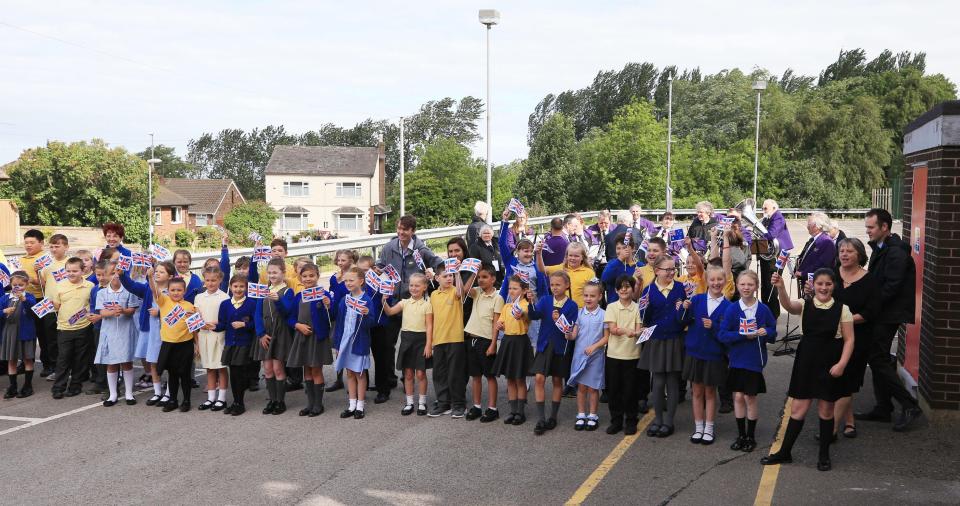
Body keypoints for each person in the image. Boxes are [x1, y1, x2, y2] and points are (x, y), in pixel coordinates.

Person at [764, 268, 854, 471]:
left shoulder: (843, 309)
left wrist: (841, 364)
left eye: (828, 284)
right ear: (814, 285)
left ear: (834, 286)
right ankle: (784, 452)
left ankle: (824, 455)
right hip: (807, 362)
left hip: (831, 362)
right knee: (798, 408)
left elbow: (850, 341)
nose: (823, 287)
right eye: (820, 283)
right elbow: (787, 305)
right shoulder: (805, 304)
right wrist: (780, 288)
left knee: (826, 409)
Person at [855, 208, 922, 432]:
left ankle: (909, 404)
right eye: (867, 227)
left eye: (871, 227)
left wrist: (868, 306)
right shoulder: (881, 247)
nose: (868, 231)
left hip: (888, 313)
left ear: (885, 227)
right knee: (878, 358)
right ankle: (883, 408)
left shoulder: (896, 252)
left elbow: (891, 288)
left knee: (877, 358)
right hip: (881, 311)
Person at [373, 215, 443, 404]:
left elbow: (437, 262)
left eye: (405, 229)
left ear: (412, 231)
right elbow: (381, 264)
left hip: (413, 302)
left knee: (411, 343)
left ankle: (407, 378)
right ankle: (386, 385)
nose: (401, 232)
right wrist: (377, 270)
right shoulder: (389, 247)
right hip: (393, 301)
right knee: (386, 345)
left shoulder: (420, 249)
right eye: (399, 228)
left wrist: (434, 275)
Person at [717, 270, 778, 452]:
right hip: (737, 359)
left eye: (750, 284)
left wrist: (766, 332)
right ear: (737, 286)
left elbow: (773, 331)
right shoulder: (733, 309)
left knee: (749, 397)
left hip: (754, 359)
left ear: (756, 286)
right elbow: (723, 334)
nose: (746, 288)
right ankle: (741, 434)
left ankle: (751, 436)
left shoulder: (763, 309)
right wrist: (742, 335)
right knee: (737, 396)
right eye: (742, 284)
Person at [832, 238, 880, 439]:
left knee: (848, 380)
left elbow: (871, 312)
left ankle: (831, 429)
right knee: (841, 381)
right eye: (841, 250)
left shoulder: (870, 280)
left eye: (849, 251)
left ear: (859, 255)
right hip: (833, 337)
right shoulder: (833, 274)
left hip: (858, 338)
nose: (844, 254)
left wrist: (845, 321)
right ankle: (849, 422)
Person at [678, 263, 730, 445]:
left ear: (725, 281)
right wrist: (683, 308)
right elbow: (683, 321)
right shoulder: (697, 300)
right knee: (696, 391)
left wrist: (714, 327)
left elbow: (727, 335)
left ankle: (709, 427)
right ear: (706, 281)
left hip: (713, 355)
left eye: (719, 279)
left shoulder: (728, 306)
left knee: (710, 392)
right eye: (712, 279)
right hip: (694, 352)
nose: (716, 283)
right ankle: (698, 427)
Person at [638, 256, 687, 438]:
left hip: (675, 339)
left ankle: (669, 422)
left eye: (673, 269)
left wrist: (684, 309)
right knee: (658, 383)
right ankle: (657, 420)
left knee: (672, 381)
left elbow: (686, 317)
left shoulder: (681, 288)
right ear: (657, 271)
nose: (672, 272)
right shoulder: (648, 291)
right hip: (657, 340)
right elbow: (645, 317)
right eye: (667, 269)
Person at [528, 270, 579, 435]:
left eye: (558, 284)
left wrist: (559, 320)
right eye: (552, 284)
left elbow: (569, 330)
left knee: (557, 381)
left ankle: (553, 417)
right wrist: (530, 302)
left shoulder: (571, 305)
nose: (554, 287)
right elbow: (535, 315)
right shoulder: (545, 300)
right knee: (539, 378)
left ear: (567, 285)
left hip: (560, 347)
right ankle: (541, 418)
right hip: (544, 345)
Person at [121, 259, 174, 406]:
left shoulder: (174, 290)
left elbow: (177, 310)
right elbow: (131, 286)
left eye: (161, 272)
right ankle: (157, 393)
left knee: (168, 362)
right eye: (156, 271)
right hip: (151, 330)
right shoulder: (147, 288)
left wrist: (161, 312)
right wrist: (122, 275)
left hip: (167, 332)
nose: (157, 273)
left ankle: (169, 393)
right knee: (153, 362)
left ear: (170, 276)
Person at [147, 265, 198, 412]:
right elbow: (154, 290)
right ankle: (173, 399)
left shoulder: (189, 306)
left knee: (185, 374)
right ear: (168, 291)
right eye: (173, 290)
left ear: (185, 291)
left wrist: (197, 344)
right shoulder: (164, 301)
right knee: (172, 374)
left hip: (185, 344)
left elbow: (194, 327)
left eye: (179, 290)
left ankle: (186, 400)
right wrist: (151, 277)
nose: (176, 293)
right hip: (168, 344)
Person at [333, 266, 381, 420]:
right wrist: (337, 344)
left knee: (359, 373)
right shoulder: (344, 300)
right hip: (346, 341)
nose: (348, 283)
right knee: (350, 373)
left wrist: (366, 315)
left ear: (361, 281)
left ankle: (360, 405)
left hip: (359, 342)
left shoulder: (366, 300)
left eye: (351, 280)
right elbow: (339, 323)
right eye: (346, 280)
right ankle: (351, 404)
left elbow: (372, 324)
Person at [286, 263, 333, 417]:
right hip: (303, 337)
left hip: (317, 337)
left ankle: (318, 404)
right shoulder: (298, 296)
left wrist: (329, 305)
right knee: (307, 370)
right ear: (300, 278)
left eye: (311, 276)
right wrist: (298, 325)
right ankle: (310, 403)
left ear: (318, 277)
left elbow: (332, 316)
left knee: (316, 369)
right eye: (305, 276)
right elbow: (291, 318)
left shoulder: (324, 294)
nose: (308, 279)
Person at [382, 273, 433, 416]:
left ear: (424, 287)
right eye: (411, 285)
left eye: (417, 285)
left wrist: (429, 344)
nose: (414, 288)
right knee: (408, 373)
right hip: (406, 340)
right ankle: (409, 402)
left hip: (421, 340)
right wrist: (384, 301)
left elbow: (429, 326)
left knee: (421, 373)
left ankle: (422, 403)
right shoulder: (404, 302)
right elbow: (390, 312)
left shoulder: (428, 304)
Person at [92, 259, 139, 407]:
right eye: (112, 273)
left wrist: (123, 310)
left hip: (125, 330)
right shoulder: (102, 293)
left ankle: (129, 393)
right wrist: (112, 312)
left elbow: (132, 310)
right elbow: (101, 311)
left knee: (126, 362)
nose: (116, 276)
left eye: (118, 272)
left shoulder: (129, 291)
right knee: (111, 363)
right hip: (109, 331)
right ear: (106, 275)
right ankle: (113, 394)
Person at [253, 258, 296, 415]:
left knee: (278, 368)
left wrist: (278, 300)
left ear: (283, 273)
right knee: (268, 368)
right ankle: (272, 399)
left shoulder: (287, 291)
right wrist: (261, 334)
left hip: (280, 332)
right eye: (269, 272)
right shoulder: (263, 290)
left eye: (275, 272)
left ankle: (280, 401)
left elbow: (287, 311)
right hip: (266, 334)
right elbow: (257, 314)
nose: (272, 275)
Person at [462, 264, 505, 422]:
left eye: (485, 277)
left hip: (486, 340)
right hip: (471, 338)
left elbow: (496, 323)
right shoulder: (477, 292)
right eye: (479, 277)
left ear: (493, 279)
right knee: (475, 375)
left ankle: (493, 408)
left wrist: (493, 344)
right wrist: (473, 272)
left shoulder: (498, 298)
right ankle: (477, 406)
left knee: (490, 375)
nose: (481, 280)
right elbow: (466, 290)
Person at [50, 257, 95, 399]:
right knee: (63, 359)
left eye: (75, 271)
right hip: (64, 328)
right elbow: (56, 306)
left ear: (83, 271)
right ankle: (58, 387)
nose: (71, 273)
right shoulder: (60, 286)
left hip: (84, 327)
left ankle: (76, 385)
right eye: (68, 271)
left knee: (80, 359)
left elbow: (92, 304)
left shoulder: (90, 286)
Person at [603, 275, 642, 435]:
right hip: (613, 354)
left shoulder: (637, 307)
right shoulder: (612, 307)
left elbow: (639, 329)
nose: (624, 289)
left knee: (630, 391)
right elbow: (612, 329)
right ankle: (616, 420)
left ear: (633, 289)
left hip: (632, 355)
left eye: (627, 286)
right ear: (616, 290)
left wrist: (641, 332)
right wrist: (627, 331)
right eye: (620, 287)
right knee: (614, 390)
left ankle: (631, 420)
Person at [493, 274, 533, 426]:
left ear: (523, 291)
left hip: (520, 342)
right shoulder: (506, 306)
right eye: (510, 288)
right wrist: (499, 325)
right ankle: (513, 410)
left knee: (519, 378)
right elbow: (501, 322)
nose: (511, 291)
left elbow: (526, 316)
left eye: (515, 288)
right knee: (509, 378)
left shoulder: (525, 305)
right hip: (507, 342)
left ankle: (521, 412)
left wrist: (522, 314)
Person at [215, 274, 258, 416]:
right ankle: (235, 401)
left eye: (241, 286)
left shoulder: (251, 303)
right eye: (235, 286)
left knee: (240, 373)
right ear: (230, 287)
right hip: (230, 344)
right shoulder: (225, 304)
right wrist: (212, 326)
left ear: (246, 288)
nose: (238, 289)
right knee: (232, 373)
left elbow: (255, 323)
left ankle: (240, 403)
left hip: (244, 343)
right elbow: (222, 323)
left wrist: (244, 324)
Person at [20, 229, 60, 378]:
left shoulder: (46, 259)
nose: (28, 245)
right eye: (26, 243)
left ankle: (48, 364)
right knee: (26, 332)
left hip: (41, 299)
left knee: (44, 333)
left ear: (41, 243)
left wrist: (31, 279)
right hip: (25, 299)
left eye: (32, 242)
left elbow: (47, 282)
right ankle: (24, 362)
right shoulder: (22, 259)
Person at [567, 280, 606, 431]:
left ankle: (593, 415)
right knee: (581, 387)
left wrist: (594, 347)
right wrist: (568, 335)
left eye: (592, 296)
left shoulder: (603, 315)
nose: (588, 298)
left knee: (593, 388)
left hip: (595, 357)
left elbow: (606, 337)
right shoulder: (579, 313)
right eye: (586, 295)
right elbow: (574, 335)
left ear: (600, 296)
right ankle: (581, 414)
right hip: (580, 355)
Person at [194, 267, 229, 411]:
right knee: (209, 367)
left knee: (220, 367)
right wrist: (199, 324)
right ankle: (211, 398)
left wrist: (216, 323)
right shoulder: (199, 297)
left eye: (214, 280)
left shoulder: (224, 297)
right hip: (204, 336)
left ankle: (222, 398)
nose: (210, 283)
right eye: (207, 280)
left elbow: (226, 318)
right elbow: (196, 316)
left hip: (219, 336)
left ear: (220, 280)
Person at [325, 249, 358, 393]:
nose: (340, 263)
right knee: (338, 347)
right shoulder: (334, 277)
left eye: (343, 260)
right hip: (336, 314)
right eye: (338, 260)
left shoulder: (353, 276)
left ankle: (356, 380)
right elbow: (332, 294)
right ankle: (338, 379)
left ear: (351, 260)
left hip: (349, 314)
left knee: (352, 348)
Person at [2, 272, 38, 399]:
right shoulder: (5, 298)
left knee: (27, 359)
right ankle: (13, 386)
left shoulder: (30, 296)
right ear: (10, 285)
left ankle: (28, 385)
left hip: (26, 332)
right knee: (11, 360)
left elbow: (33, 310)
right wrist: (3, 311)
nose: (17, 287)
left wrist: (24, 300)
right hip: (10, 332)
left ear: (26, 284)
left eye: (21, 285)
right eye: (15, 285)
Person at [758, 199, 794, 319]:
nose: (763, 211)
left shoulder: (778, 217)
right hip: (770, 253)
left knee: (772, 283)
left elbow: (771, 234)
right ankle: (766, 311)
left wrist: (758, 233)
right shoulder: (767, 218)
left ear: (774, 208)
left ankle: (773, 314)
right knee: (765, 283)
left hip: (779, 253)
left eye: (765, 208)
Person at [795, 212, 837, 284]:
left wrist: (803, 273)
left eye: (809, 224)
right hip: (808, 282)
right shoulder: (813, 239)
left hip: (818, 284)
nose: (807, 226)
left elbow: (822, 265)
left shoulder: (826, 242)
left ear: (818, 226)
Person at [601, 232, 638, 304]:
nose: (621, 251)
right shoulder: (612, 263)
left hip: (632, 308)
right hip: (614, 307)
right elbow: (605, 278)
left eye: (624, 248)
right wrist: (620, 259)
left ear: (633, 248)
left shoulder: (639, 266)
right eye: (618, 248)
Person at [586, 210, 613, 278]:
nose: (603, 225)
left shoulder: (614, 229)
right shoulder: (591, 230)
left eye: (606, 223)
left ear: (610, 222)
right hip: (596, 259)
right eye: (601, 223)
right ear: (597, 221)